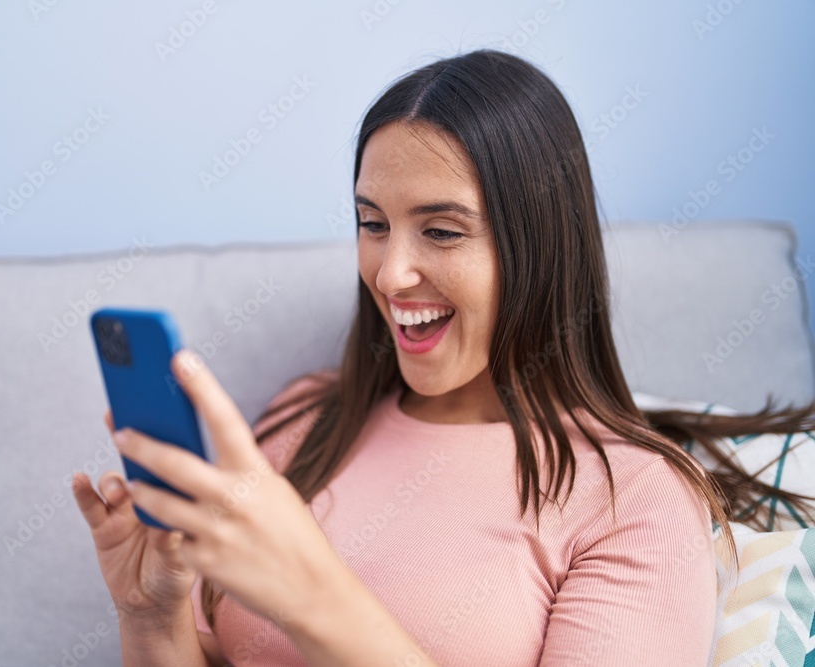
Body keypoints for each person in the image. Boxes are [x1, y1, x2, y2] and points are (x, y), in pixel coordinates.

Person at [71, 49, 815, 666]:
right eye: (372, 223)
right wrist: (150, 617)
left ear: (541, 248)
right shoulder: (307, 417)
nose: (390, 275)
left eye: (443, 231)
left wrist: (312, 595)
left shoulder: (633, 498)